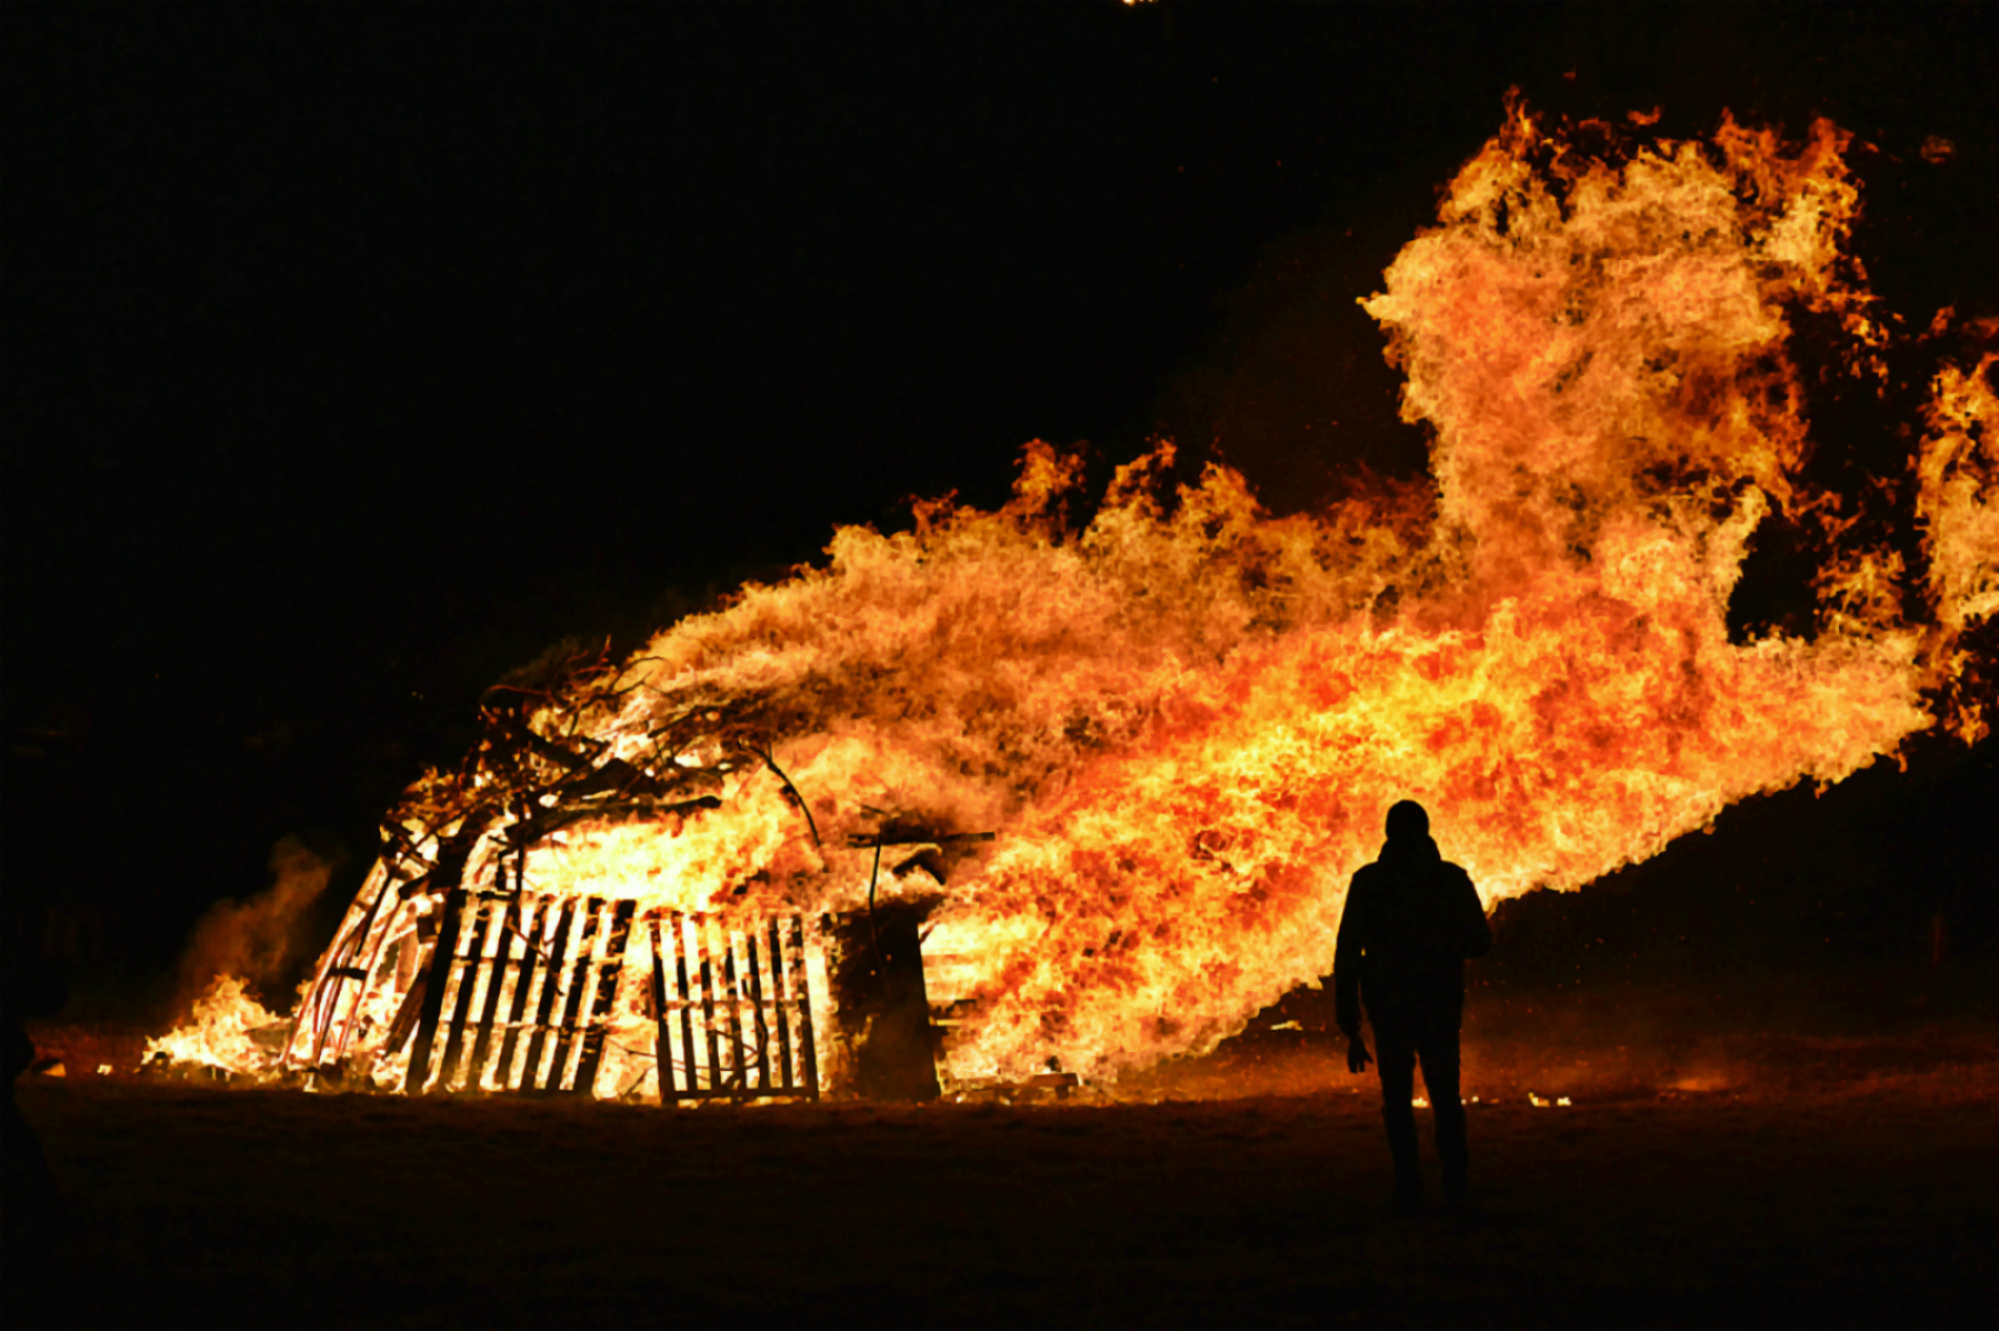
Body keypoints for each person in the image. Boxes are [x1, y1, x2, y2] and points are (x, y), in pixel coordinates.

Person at [1334, 799, 1491, 1212]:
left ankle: (1411, 1189)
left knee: (1400, 1101)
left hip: (1392, 1007)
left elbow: (1348, 952)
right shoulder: (1449, 880)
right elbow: (1480, 941)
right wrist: (1440, 949)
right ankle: (1453, 1188)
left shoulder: (1369, 882)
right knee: (1444, 1097)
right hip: (1435, 1003)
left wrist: (1349, 1023)